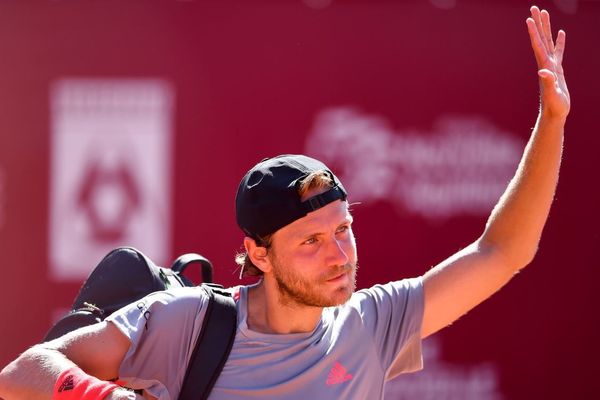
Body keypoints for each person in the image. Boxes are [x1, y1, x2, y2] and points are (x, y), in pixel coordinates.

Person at [0, 5, 569, 400]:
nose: (339, 253)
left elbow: (503, 251)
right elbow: (24, 372)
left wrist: (552, 120)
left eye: (344, 228)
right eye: (312, 240)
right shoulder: (189, 324)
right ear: (261, 254)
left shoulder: (371, 324)